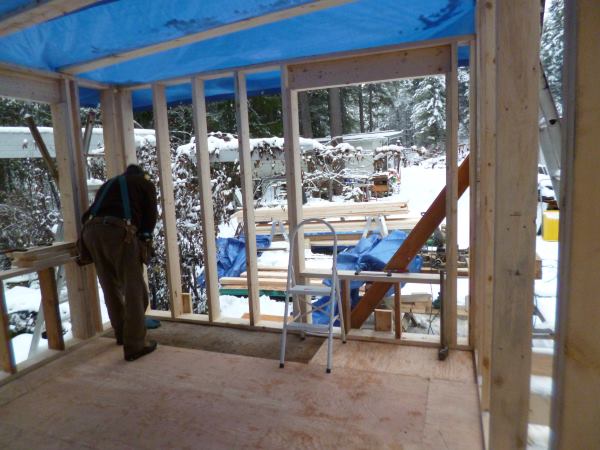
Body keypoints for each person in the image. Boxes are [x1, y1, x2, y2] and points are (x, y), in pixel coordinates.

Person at [81, 164, 158, 361]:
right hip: (118, 233)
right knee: (135, 291)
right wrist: (145, 238)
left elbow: (88, 214)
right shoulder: (144, 183)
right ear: (141, 175)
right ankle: (135, 345)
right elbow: (150, 216)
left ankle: (123, 334)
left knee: (110, 286)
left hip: (90, 232)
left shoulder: (109, 184)